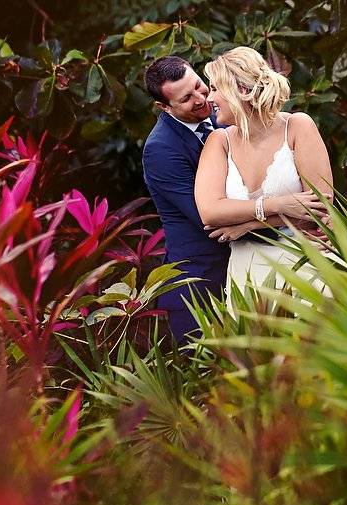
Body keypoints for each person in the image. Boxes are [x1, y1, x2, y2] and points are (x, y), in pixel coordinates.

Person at [193, 46, 333, 301]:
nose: (209, 98)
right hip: (247, 271)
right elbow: (210, 212)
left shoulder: (298, 126)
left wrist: (248, 223)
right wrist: (281, 205)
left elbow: (319, 209)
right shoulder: (218, 141)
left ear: (243, 91)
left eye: (215, 88)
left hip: (304, 263)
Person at [142, 56, 227, 345]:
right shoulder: (161, 149)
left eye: (200, 87)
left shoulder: (221, 117)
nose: (201, 99)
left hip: (241, 266)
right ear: (164, 107)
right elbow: (207, 214)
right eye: (187, 98)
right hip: (199, 280)